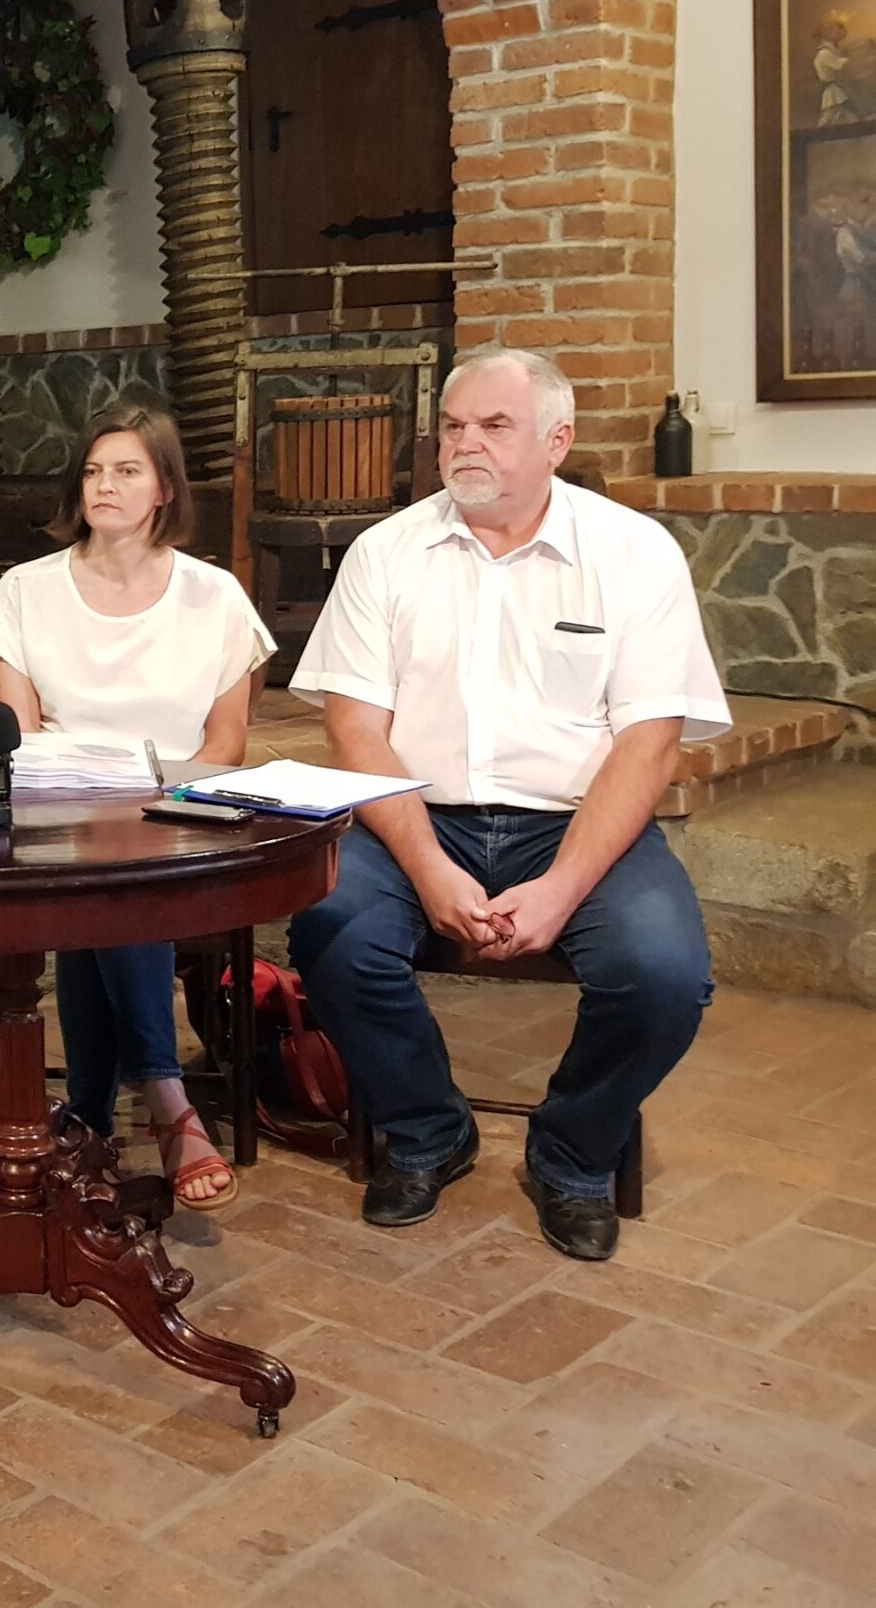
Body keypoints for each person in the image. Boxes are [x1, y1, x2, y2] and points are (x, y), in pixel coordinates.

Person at [286, 346, 727, 1262]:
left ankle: (573, 1153)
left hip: (575, 823)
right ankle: (427, 1129)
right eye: (453, 426)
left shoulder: (633, 553)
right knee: (329, 931)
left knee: (663, 974)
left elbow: (649, 744)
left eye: (494, 425)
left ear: (557, 441)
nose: (466, 444)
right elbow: (356, 732)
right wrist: (429, 869)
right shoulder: (386, 552)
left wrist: (562, 889)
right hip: (416, 816)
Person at [0, 403, 268, 1211]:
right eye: (94, 470)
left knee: (117, 872)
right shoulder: (25, 590)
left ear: (165, 488)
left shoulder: (215, 596)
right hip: (59, 810)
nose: (105, 485)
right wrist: (92, 798)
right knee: (103, 865)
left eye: (128, 470)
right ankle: (162, 1096)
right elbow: (18, 733)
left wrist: (154, 803)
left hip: (180, 814)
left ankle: (96, 1118)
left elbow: (227, 741)